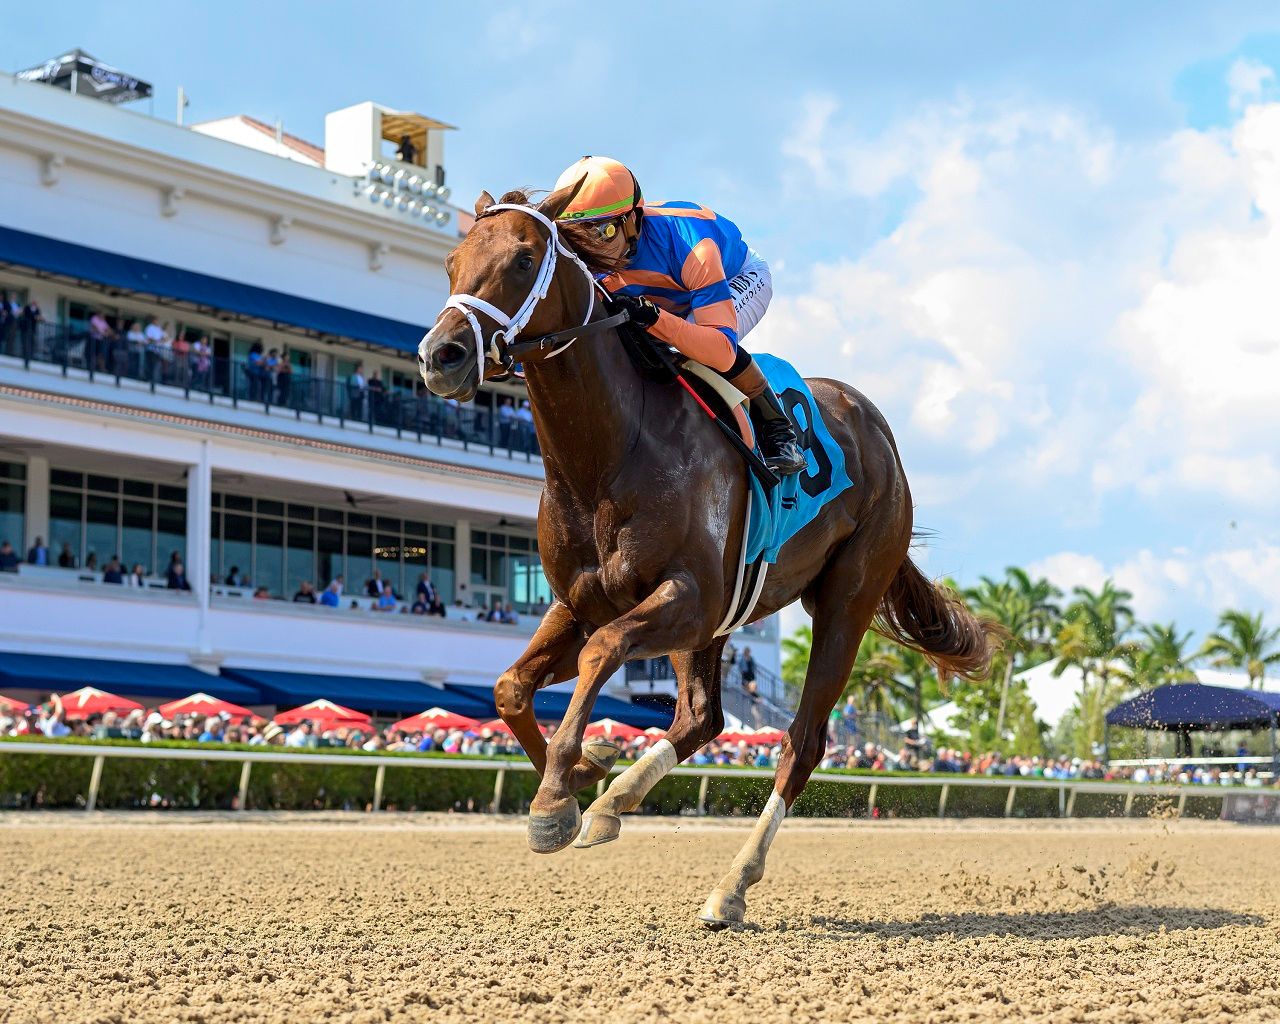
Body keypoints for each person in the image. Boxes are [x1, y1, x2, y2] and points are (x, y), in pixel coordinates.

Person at [552, 155, 806, 475]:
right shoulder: (587, 259)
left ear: (631, 221)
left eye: (602, 233)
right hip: (674, 294)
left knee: (694, 345)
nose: (591, 253)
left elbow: (720, 349)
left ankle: (779, 432)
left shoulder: (692, 245)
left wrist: (657, 319)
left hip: (737, 277)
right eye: (576, 237)